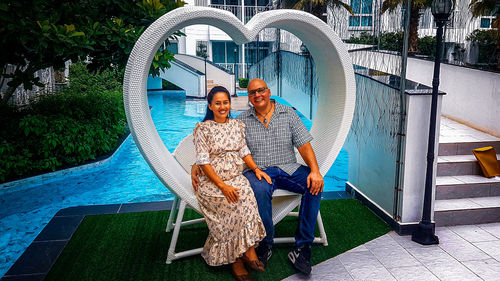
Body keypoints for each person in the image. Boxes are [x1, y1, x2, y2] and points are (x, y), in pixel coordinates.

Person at [192, 79, 324, 276]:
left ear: (268, 92)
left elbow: (304, 144)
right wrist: (196, 164)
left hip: (288, 167)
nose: (257, 95)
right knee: (258, 190)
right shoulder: (242, 120)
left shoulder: (288, 113)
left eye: (261, 90)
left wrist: (314, 170)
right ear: (249, 97)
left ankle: (302, 248)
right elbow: (221, 143)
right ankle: (265, 244)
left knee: (315, 184)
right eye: (252, 92)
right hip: (260, 171)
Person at [193, 86, 273, 281]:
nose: (222, 107)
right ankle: (237, 259)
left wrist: (255, 169)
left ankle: (248, 250)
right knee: (231, 202)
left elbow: (244, 151)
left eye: (226, 102)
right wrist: (222, 185)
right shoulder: (203, 129)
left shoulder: (236, 125)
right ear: (210, 105)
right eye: (218, 103)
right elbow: (203, 161)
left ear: (230, 103)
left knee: (246, 195)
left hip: (236, 178)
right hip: (213, 183)